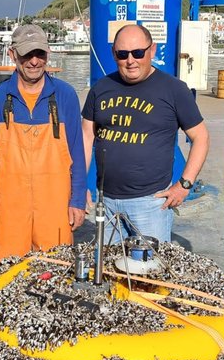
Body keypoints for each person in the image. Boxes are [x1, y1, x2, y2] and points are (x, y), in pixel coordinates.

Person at [82, 24, 209, 244]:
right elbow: (86, 137)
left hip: (151, 205)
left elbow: (201, 138)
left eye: (138, 52)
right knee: (108, 273)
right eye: (123, 54)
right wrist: (79, 187)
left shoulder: (174, 90)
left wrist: (184, 185)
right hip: (106, 201)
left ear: (152, 50)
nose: (130, 60)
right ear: (114, 54)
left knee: (148, 273)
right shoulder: (101, 88)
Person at [0, 24, 86, 266]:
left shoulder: (65, 95)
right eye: (27, 54)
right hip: (11, 210)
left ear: (48, 54)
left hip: (55, 208)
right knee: (7, 275)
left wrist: (77, 201)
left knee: (56, 275)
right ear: (13, 54)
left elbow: (77, 154)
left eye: (40, 54)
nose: (34, 62)